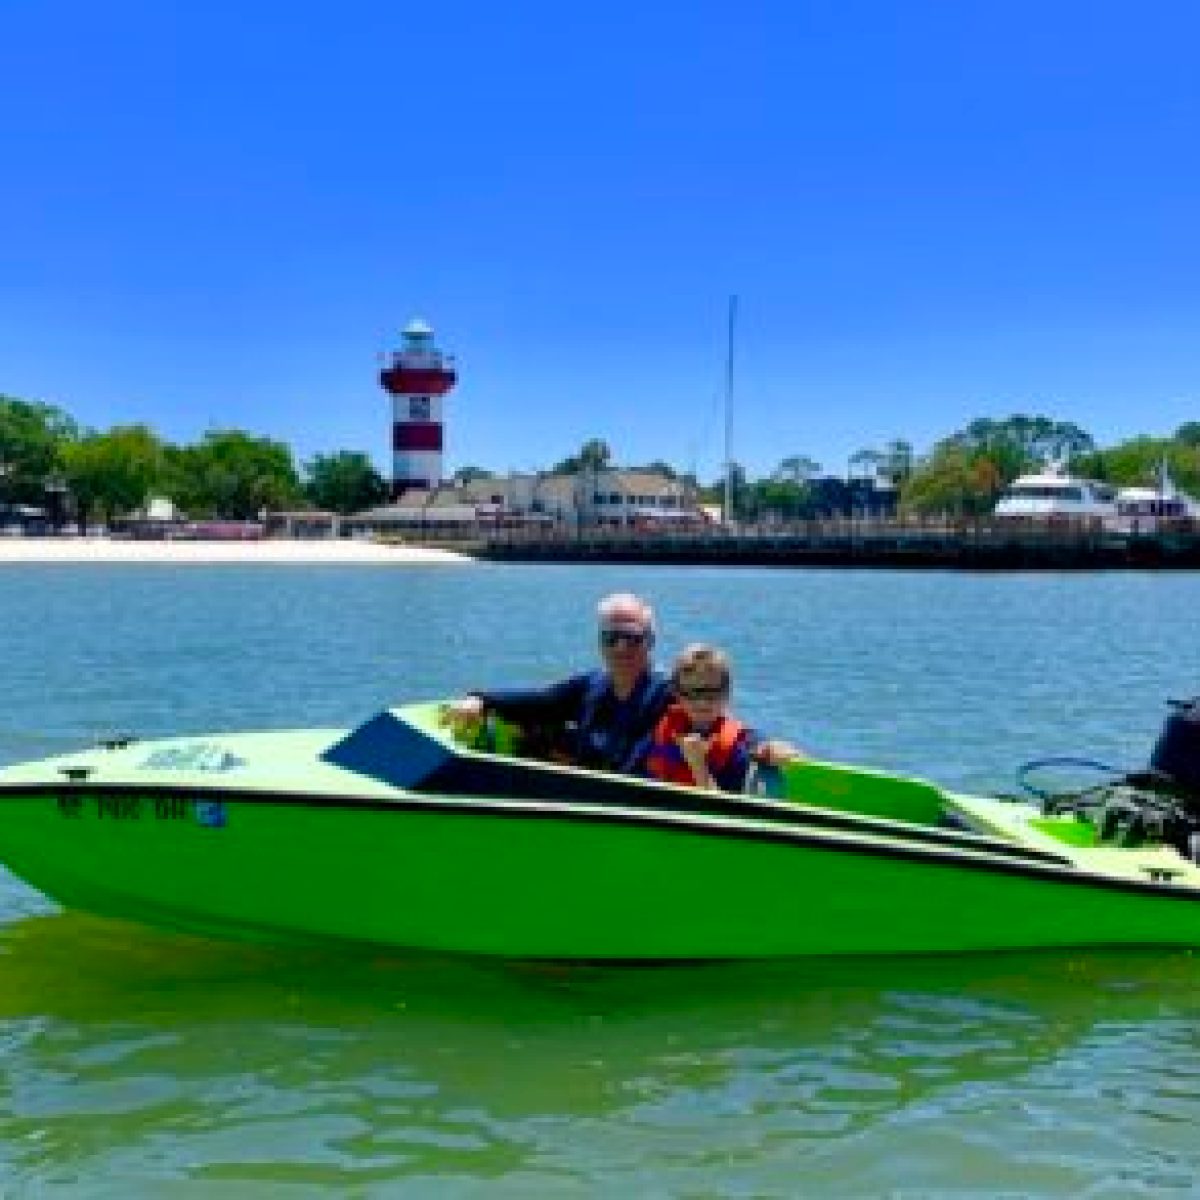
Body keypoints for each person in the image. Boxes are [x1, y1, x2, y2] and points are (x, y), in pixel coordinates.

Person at [439, 592, 672, 774]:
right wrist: (481, 699)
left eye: (631, 638)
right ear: (600, 643)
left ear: (650, 640)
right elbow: (542, 700)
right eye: (611, 638)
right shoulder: (590, 686)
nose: (621, 647)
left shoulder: (669, 694)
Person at [642, 643, 804, 792]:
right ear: (677, 694)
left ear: (727, 693)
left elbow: (722, 813)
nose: (702, 702)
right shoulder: (662, 728)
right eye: (691, 693)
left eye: (712, 693)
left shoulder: (740, 746)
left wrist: (698, 765)